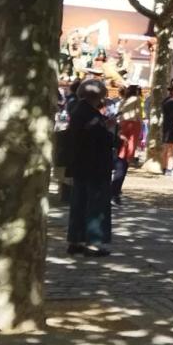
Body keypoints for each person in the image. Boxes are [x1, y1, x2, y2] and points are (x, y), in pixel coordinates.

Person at [67, 79, 115, 257]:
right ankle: (92, 243)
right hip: (95, 165)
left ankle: (75, 239)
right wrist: (109, 130)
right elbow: (100, 139)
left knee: (79, 202)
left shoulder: (77, 110)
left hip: (80, 164)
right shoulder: (91, 114)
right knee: (95, 204)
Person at [113, 85, 142, 206]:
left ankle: (115, 189)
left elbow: (118, 114)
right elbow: (139, 115)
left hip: (122, 126)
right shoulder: (137, 100)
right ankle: (115, 191)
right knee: (125, 160)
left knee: (121, 157)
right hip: (132, 127)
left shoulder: (122, 100)